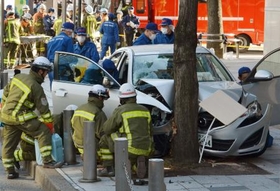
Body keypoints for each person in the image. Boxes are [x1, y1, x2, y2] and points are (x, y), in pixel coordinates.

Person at [0, 57, 63, 179]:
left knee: (8, 144)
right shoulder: (36, 87)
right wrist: (50, 127)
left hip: (6, 116)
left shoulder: (18, 78)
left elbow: (6, 94)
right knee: (42, 132)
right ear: (40, 71)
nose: (46, 75)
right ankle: (47, 161)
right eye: (46, 72)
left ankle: (10, 171)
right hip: (20, 117)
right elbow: (45, 112)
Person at [98, 83, 154, 178]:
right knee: (133, 154)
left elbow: (107, 129)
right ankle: (137, 165)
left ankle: (109, 168)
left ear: (121, 99)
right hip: (147, 148)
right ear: (135, 97)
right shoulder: (145, 110)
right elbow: (151, 131)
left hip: (129, 149)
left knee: (105, 138)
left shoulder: (121, 110)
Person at [71, 85, 109, 157]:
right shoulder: (98, 113)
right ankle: (101, 160)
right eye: (103, 99)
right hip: (92, 149)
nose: (103, 102)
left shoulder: (79, 108)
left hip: (79, 146)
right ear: (100, 98)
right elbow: (103, 134)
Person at [47, 22, 75, 90]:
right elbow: (70, 56)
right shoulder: (68, 40)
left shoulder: (52, 40)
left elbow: (48, 54)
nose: (71, 34)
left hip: (51, 67)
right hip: (62, 68)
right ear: (69, 31)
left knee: (53, 88)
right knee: (62, 90)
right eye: (71, 32)